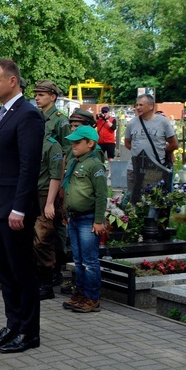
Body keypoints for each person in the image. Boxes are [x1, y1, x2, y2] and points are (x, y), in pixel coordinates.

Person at [0, 59, 44, 354]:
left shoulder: (28, 114)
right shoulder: (0, 114)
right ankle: (13, 324)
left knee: (21, 270)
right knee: (4, 270)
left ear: (12, 82)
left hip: (14, 208)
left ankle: (29, 331)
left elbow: (28, 166)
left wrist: (19, 208)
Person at [61, 125, 107, 313]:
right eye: (72, 141)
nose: (73, 145)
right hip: (75, 218)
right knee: (78, 260)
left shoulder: (94, 165)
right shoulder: (76, 161)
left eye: (78, 142)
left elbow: (101, 195)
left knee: (89, 261)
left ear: (90, 143)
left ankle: (92, 298)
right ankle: (80, 294)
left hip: (88, 220)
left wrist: (98, 221)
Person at [124, 93, 178, 195]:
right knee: (133, 200)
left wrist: (161, 151)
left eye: (141, 105)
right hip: (134, 168)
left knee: (153, 200)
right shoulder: (132, 123)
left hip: (155, 169)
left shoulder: (163, 122)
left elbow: (174, 144)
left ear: (151, 106)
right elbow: (127, 143)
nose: (138, 107)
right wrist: (139, 153)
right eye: (137, 105)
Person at [34, 132, 63, 300]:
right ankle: (36, 280)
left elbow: (55, 174)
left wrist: (50, 202)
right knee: (30, 239)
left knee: (42, 239)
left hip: (44, 194)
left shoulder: (51, 145)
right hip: (30, 193)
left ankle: (47, 284)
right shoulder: (28, 140)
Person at [33, 80, 70, 151]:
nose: (36, 98)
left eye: (41, 95)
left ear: (53, 97)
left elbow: (67, 147)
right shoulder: (36, 116)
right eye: (36, 95)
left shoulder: (61, 120)